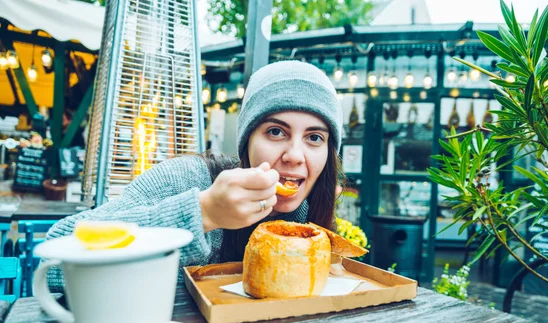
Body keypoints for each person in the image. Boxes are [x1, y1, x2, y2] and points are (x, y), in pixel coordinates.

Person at [46, 60, 344, 292]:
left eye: (314, 138)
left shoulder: (305, 225)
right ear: (246, 143)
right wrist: (203, 213)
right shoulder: (187, 179)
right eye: (276, 131)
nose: (295, 154)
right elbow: (53, 261)